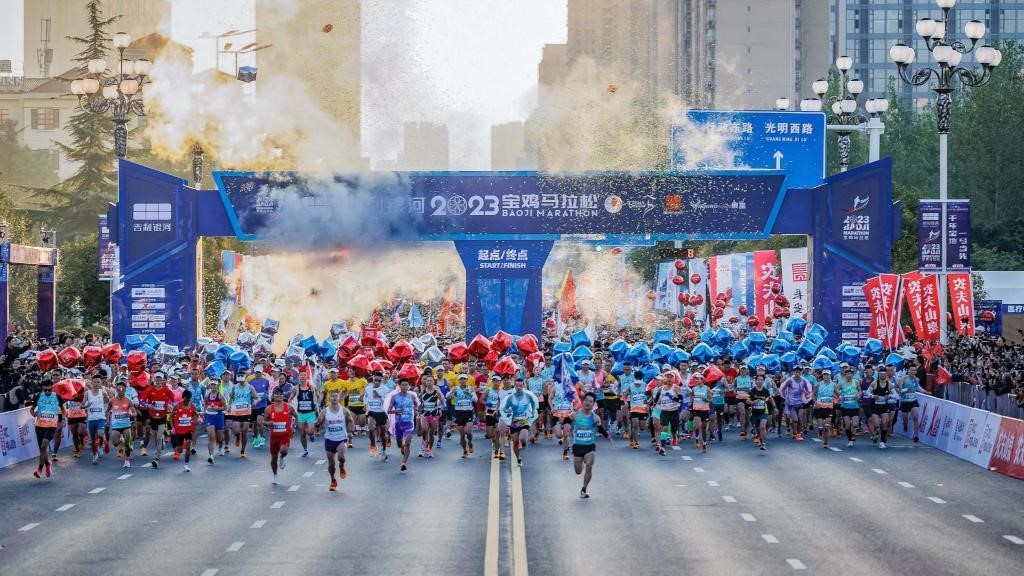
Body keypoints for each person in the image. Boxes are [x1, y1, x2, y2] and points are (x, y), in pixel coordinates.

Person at [571, 392, 612, 498]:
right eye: (586, 400)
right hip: (577, 446)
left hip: (590, 446)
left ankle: (584, 489)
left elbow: (600, 428)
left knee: (589, 466)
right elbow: (566, 423)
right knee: (578, 471)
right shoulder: (575, 415)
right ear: (583, 401)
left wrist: (607, 436)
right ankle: (581, 462)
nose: (588, 403)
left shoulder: (595, 417)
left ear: (593, 404)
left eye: (591, 401)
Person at [498, 377, 539, 466]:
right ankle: (518, 458)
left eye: (520, 386)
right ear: (514, 386)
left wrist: (532, 411)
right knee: (515, 443)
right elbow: (504, 408)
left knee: (523, 439)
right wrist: (507, 410)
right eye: (517, 386)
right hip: (514, 421)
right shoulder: (510, 398)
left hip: (524, 421)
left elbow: (533, 404)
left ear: (523, 386)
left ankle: (524, 442)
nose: (518, 387)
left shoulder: (528, 396)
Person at [318, 389, 353, 491]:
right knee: (331, 464)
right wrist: (317, 424)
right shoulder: (325, 411)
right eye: (332, 396)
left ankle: (341, 466)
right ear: (329, 398)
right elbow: (319, 422)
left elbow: (350, 421)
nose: (334, 398)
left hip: (341, 438)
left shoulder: (344, 410)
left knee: (341, 457)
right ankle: (333, 480)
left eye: (336, 396)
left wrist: (350, 432)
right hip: (329, 439)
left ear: (339, 398)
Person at [384, 378, 420, 472]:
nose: (405, 387)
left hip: (409, 423)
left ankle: (403, 463)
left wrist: (416, 410)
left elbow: (417, 405)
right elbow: (389, 410)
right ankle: (402, 446)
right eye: (403, 385)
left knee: (408, 442)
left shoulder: (412, 396)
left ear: (409, 386)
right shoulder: (394, 397)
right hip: (398, 423)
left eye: (406, 385)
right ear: (399, 386)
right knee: (400, 444)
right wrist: (396, 411)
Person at [141, 371, 175, 469]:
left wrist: (170, 406)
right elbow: (141, 402)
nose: (159, 380)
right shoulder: (149, 390)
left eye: (160, 379)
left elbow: (174, 400)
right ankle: (159, 448)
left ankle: (156, 457)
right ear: (154, 379)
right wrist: (148, 405)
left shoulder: (166, 390)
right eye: (157, 378)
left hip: (162, 416)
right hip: (152, 416)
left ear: (163, 380)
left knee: (159, 437)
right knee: (156, 438)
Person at [30, 379, 61, 478]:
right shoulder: (39, 396)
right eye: (45, 390)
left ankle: (39, 469)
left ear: (52, 387)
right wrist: (33, 413)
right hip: (39, 426)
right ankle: (48, 464)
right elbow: (31, 409)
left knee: (44, 446)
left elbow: (63, 409)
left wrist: (63, 419)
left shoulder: (57, 397)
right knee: (42, 450)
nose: (47, 392)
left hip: (51, 426)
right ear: (42, 389)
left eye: (49, 390)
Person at [267, 387, 298, 485]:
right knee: (273, 458)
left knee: (284, 450)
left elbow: (296, 416)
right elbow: (264, 421)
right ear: (273, 396)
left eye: (281, 394)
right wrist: (268, 423)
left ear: (283, 396)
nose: (279, 396)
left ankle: (283, 457)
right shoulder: (268, 409)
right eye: (276, 394)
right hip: (274, 436)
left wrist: (293, 427)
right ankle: (275, 476)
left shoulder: (289, 407)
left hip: (285, 435)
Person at [227, 372, 259, 459]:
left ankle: (243, 450)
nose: (240, 378)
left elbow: (256, 397)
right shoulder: (234, 387)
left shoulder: (249, 387)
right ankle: (237, 437)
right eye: (239, 376)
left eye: (242, 376)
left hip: (246, 412)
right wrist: (229, 406)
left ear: (245, 377)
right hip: (236, 412)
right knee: (236, 431)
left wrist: (255, 401)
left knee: (244, 432)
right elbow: (231, 398)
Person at [107, 378, 136, 468]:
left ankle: (127, 460)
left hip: (126, 425)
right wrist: (108, 419)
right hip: (116, 425)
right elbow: (108, 411)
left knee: (127, 443)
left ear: (125, 390)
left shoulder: (128, 400)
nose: (121, 390)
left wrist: (130, 415)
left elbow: (134, 412)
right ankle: (121, 441)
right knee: (115, 443)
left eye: (122, 389)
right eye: (119, 389)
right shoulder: (112, 401)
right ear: (116, 389)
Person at [448, 374, 478, 458]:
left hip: (468, 412)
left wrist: (469, 394)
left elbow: (475, 399)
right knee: (462, 435)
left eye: (464, 379)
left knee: (468, 432)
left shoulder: (470, 389)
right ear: (458, 380)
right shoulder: (455, 389)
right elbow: (449, 397)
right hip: (459, 413)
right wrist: (452, 394)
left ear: (466, 380)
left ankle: (470, 443)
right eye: (461, 379)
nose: (462, 381)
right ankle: (464, 451)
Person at [779, 366, 812, 441]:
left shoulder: (803, 381)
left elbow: (807, 390)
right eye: (796, 371)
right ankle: (794, 432)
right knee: (795, 419)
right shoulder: (790, 381)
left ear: (801, 372)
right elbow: (783, 389)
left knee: (800, 419)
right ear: (793, 372)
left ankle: (798, 434)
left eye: (799, 372)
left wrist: (806, 394)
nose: (797, 373)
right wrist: (785, 396)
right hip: (791, 404)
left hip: (800, 403)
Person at [651, 375, 682, 455]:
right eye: (668, 378)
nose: (669, 380)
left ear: (674, 379)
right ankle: (662, 447)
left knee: (673, 430)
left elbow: (680, 399)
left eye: (671, 378)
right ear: (665, 380)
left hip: (674, 411)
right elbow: (656, 399)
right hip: (664, 411)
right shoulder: (661, 388)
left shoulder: (676, 388)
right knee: (664, 428)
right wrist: (653, 404)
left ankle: (674, 436)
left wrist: (672, 397)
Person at [84, 374, 111, 464]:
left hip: (101, 418)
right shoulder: (87, 393)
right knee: (92, 439)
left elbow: (109, 402)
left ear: (101, 383)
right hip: (91, 419)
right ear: (92, 383)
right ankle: (94, 455)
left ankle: (100, 446)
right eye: (94, 382)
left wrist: (107, 399)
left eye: (98, 382)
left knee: (100, 434)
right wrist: (86, 405)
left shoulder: (103, 392)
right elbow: (82, 405)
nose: (96, 384)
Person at [364, 372, 390, 461]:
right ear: (373, 378)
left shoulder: (385, 389)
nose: (377, 382)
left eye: (379, 380)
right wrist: (365, 405)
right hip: (372, 412)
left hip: (381, 413)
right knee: (371, 429)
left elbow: (388, 401)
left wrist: (380, 396)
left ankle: (383, 450)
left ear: (382, 380)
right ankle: (373, 445)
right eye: (376, 380)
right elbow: (366, 397)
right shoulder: (368, 388)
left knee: (383, 434)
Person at [170, 390, 198, 472]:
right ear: (183, 398)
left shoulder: (193, 406)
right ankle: (180, 445)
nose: (188, 401)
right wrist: (173, 427)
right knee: (180, 450)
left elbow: (195, 415)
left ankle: (186, 465)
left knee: (189, 444)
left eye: (189, 400)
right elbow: (171, 417)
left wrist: (195, 420)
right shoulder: (177, 406)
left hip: (188, 429)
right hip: (179, 431)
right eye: (186, 400)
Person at [417, 374, 444, 458]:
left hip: (434, 415)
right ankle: (423, 447)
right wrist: (418, 410)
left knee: (432, 434)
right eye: (427, 380)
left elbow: (443, 403)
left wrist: (440, 409)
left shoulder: (437, 392)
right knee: (424, 430)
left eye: (430, 381)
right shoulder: (422, 392)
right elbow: (419, 403)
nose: (429, 382)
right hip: (424, 414)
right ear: (425, 382)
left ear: (433, 382)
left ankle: (430, 449)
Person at [623, 363, 649, 450]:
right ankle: (635, 442)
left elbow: (650, 395)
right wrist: (626, 402)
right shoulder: (631, 386)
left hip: (643, 409)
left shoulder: (645, 385)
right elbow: (625, 395)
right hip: (633, 409)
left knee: (642, 427)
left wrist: (648, 403)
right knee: (635, 425)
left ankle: (633, 438)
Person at [293, 371, 319, 458]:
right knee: (303, 433)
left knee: (310, 431)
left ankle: (312, 434)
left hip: (310, 413)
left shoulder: (311, 387)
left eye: (304, 375)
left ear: (307, 377)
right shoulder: (296, 388)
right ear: (299, 377)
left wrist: (317, 404)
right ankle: (305, 449)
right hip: (300, 413)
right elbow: (290, 398)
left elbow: (319, 396)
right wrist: (291, 408)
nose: (303, 377)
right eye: (301, 375)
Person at [898, 366, 925, 443]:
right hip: (905, 402)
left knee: (916, 417)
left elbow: (918, 387)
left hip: (913, 401)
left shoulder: (916, 380)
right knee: (905, 419)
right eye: (911, 370)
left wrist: (925, 392)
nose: (913, 372)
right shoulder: (903, 379)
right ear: (908, 371)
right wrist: (906, 389)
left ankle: (916, 436)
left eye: (914, 370)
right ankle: (905, 425)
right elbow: (900, 390)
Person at [812, 370, 838, 449]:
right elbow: (813, 395)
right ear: (822, 376)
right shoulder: (818, 384)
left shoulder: (833, 385)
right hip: (819, 408)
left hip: (829, 408)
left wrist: (840, 396)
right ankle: (820, 431)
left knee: (826, 426)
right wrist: (816, 403)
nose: (826, 376)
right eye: (824, 375)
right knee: (821, 426)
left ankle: (826, 442)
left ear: (830, 376)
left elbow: (837, 393)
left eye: (827, 375)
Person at [248, 366, 272, 449]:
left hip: (262, 405)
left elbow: (268, 392)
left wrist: (262, 398)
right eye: (256, 372)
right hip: (254, 405)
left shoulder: (266, 381)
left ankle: (262, 436)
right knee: (254, 423)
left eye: (259, 372)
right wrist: (253, 399)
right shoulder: (250, 382)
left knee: (259, 422)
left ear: (261, 373)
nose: (258, 374)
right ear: (254, 373)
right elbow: (249, 393)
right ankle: (256, 437)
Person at [203, 380, 227, 464]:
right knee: (211, 437)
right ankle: (211, 456)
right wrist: (204, 412)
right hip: (210, 417)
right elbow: (205, 404)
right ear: (209, 385)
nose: (213, 386)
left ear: (217, 386)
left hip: (219, 417)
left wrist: (217, 408)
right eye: (212, 384)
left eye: (215, 385)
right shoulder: (207, 395)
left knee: (219, 438)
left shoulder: (220, 396)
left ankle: (220, 447)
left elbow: (225, 407)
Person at [749, 375, 774, 450]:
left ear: (763, 381)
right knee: (758, 428)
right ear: (755, 381)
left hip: (764, 411)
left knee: (763, 427)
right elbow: (747, 401)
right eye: (758, 380)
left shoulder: (766, 391)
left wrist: (775, 408)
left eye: (761, 380)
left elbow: (770, 398)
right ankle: (758, 437)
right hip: (755, 412)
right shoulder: (752, 391)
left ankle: (763, 443)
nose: (759, 381)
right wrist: (753, 402)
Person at [838, 365, 861, 448]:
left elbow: (860, 390)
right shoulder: (841, 383)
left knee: (855, 424)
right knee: (847, 425)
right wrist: (839, 395)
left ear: (853, 374)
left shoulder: (856, 382)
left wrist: (858, 394)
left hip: (854, 406)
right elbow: (836, 391)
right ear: (845, 374)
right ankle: (850, 440)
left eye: (851, 374)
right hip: (845, 406)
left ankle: (852, 434)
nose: (849, 375)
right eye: (847, 373)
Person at [870, 370, 893, 449]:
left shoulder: (889, 384)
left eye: (884, 374)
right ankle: (875, 433)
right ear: (879, 374)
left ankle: (882, 442)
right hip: (875, 406)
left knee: (885, 424)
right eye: (881, 374)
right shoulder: (874, 383)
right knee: (876, 424)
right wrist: (873, 396)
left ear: (886, 374)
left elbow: (896, 395)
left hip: (884, 406)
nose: (882, 375)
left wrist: (889, 396)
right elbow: (867, 392)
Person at [691, 373, 712, 453]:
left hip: (705, 410)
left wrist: (706, 399)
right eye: (695, 379)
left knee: (703, 428)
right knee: (697, 425)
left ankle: (704, 444)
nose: (696, 380)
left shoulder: (707, 388)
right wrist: (691, 400)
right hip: (696, 409)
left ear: (702, 380)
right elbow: (691, 397)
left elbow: (710, 399)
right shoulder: (693, 389)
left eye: (698, 379)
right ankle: (696, 437)